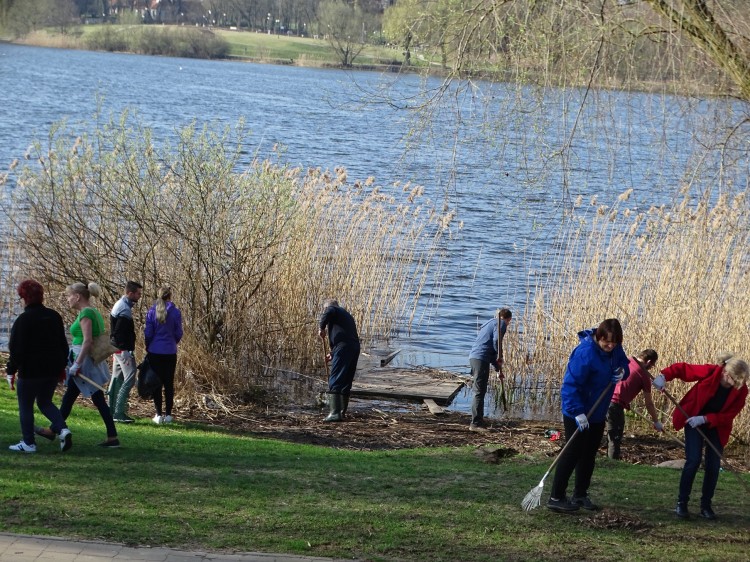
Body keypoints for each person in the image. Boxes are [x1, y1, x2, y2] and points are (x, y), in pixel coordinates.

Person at [547, 318, 630, 513]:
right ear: (598, 337)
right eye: (606, 342)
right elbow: (570, 386)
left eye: (614, 343)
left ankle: (580, 494)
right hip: (577, 411)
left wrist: (622, 372)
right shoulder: (585, 353)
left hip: (598, 411)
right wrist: (577, 412)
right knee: (572, 452)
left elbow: (624, 366)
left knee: (589, 453)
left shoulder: (616, 350)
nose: (610, 346)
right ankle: (556, 496)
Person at [652, 353, 748, 520]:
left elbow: (729, 415)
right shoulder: (710, 372)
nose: (740, 385)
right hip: (692, 420)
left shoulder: (741, 390)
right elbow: (683, 369)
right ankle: (682, 503)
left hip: (717, 426)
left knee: (713, 465)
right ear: (726, 374)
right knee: (694, 460)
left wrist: (705, 419)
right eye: (736, 380)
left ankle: (706, 505)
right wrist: (664, 376)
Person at [37, 282, 119, 447]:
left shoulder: (86, 313)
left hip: (84, 361)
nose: (68, 299)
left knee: (94, 399)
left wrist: (77, 364)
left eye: (69, 296)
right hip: (85, 359)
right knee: (73, 397)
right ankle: (55, 429)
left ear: (77, 296)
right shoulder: (91, 311)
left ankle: (55, 430)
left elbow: (87, 341)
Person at [6, 280, 72, 453]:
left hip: (30, 372)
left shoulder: (23, 320)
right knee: (45, 401)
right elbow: (63, 344)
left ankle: (28, 442)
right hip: (51, 370)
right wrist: (62, 365)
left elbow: (16, 349)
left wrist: (11, 370)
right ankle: (62, 429)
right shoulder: (54, 316)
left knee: (26, 406)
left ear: (25, 298)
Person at [606, 349, 664, 459]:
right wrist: (656, 422)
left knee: (605, 433)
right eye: (652, 366)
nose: (651, 368)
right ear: (648, 362)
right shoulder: (644, 375)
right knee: (615, 437)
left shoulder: (625, 360)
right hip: (615, 404)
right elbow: (649, 404)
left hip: (604, 400)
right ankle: (612, 464)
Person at [468, 308, 512, 432]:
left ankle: (478, 419)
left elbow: (490, 349)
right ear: (509, 319)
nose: (507, 324)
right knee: (479, 390)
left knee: (479, 389)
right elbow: (496, 342)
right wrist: (500, 355)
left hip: (474, 357)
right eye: (509, 322)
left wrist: (498, 368)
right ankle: (475, 424)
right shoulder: (501, 324)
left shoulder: (490, 323)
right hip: (480, 358)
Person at [144, 286, 183, 424]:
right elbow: (179, 332)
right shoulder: (176, 312)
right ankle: (168, 414)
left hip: (155, 351)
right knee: (168, 383)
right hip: (170, 351)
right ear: (170, 296)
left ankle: (158, 414)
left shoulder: (152, 311)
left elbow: (148, 333)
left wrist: (149, 345)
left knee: (157, 383)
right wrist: (173, 342)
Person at [318, 299, 360, 422]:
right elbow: (345, 336)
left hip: (344, 348)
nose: (325, 312)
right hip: (354, 347)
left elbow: (329, 311)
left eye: (324, 310)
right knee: (346, 379)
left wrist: (321, 327)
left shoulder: (333, 310)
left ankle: (335, 413)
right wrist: (333, 353)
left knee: (335, 379)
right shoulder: (347, 315)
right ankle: (342, 412)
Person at [108, 280, 143, 423]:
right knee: (130, 378)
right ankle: (119, 412)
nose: (139, 296)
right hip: (122, 350)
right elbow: (118, 332)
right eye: (138, 294)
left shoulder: (120, 305)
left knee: (116, 379)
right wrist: (125, 351)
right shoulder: (124, 309)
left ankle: (111, 410)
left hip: (117, 349)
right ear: (130, 293)